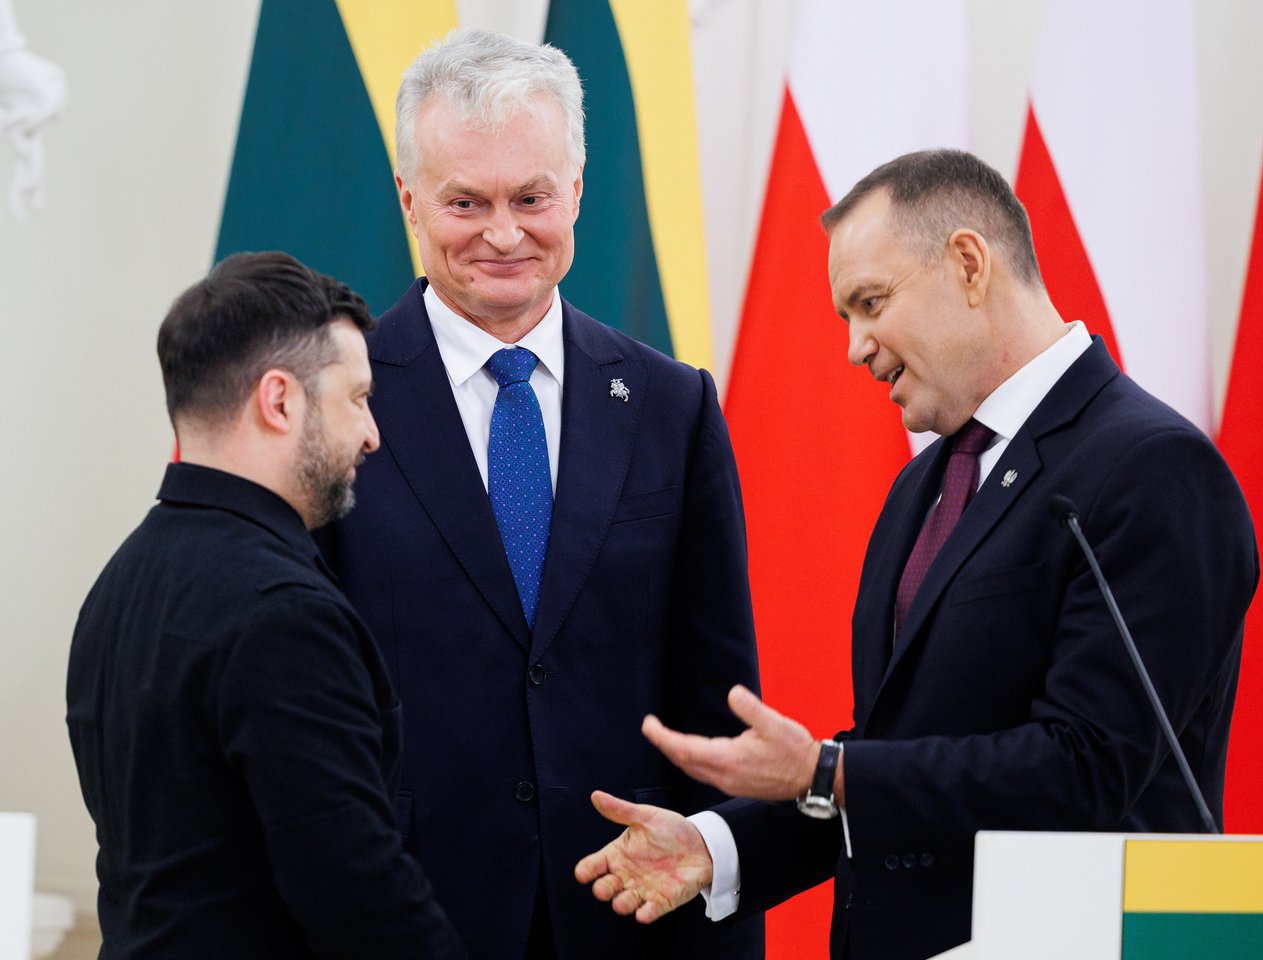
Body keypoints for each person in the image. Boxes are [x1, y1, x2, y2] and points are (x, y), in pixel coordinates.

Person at [575, 149, 1259, 960]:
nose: (855, 347)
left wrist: (827, 771)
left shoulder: (1153, 467)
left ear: (969, 264)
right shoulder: (922, 486)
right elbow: (900, 758)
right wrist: (718, 846)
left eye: (871, 303)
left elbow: (1087, 767)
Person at [318, 28, 763, 960]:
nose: (504, 233)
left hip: (630, 914)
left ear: (578, 191)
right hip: (400, 914)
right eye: (465, 202)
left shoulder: (672, 405)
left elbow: (718, 710)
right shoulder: (334, 402)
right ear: (408, 199)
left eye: (531, 197)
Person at [66, 252, 467, 957]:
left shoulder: (119, 582)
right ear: (279, 401)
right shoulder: (286, 615)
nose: (372, 433)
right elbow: (361, 898)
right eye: (357, 399)